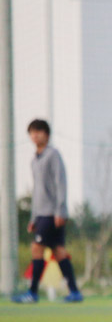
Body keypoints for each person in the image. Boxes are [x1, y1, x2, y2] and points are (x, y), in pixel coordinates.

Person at [12, 119, 83, 304]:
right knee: (59, 251)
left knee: (37, 248)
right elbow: (37, 191)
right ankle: (75, 292)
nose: (35, 135)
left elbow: (61, 183)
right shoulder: (35, 160)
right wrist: (33, 217)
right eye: (32, 132)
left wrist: (60, 210)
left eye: (39, 131)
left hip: (51, 213)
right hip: (41, 213)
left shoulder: (53, 155)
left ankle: (32, 292)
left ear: (47, 134)